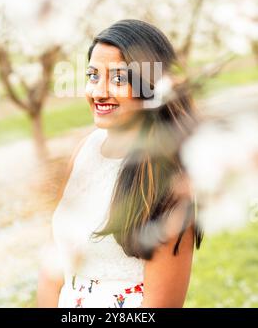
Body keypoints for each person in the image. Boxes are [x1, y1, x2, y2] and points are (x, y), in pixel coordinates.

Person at [37, 19, 203, 308]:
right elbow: (53, 269)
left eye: (118, 79)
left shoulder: (168, 183)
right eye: (92, 76)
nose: (99, 92)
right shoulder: (84, 150)